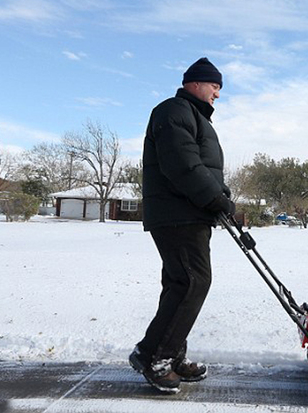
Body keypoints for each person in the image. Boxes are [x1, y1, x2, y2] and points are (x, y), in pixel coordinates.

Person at [129, 57, 235, 393]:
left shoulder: (192, 116)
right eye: (214, 86)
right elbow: (182, 165)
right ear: (195, 83)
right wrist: (213, 199)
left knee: (181, 285)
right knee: (193, 283)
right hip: (178, 215)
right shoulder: (173, 111)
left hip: (189, 213)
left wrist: (221, 195)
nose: (217, 94)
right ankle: (157, 358)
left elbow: (202, 167)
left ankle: (163, 353)